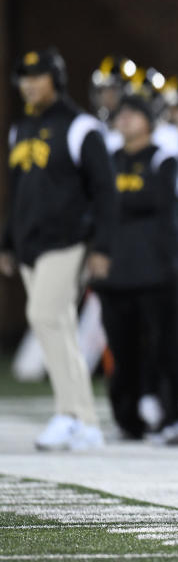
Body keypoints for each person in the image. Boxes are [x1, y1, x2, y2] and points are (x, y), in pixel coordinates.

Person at [1, 48, 116, 450]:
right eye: (25, 76)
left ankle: (70, 415)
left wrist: (101, 245)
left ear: (57, 79)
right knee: (60, 326)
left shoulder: (80, 127)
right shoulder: (21, 129)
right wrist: (8, 240)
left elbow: (104, 190)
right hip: (32, 244)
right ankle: (84, 422)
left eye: (38, 75)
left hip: (68, 240)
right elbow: (18, 192)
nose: (30, 83)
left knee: (43, 316)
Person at [94, 95, 178, 440]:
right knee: (121, 348)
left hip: (154, 271)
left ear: (148, 121)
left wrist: (117, 201)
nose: (125, 120)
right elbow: (96, 205)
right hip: (115, 272)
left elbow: (158, 199)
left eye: (133, 114)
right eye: (121, 115)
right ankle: (126, 418)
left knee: (160, 348)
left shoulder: (162, 158)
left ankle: (167, 412)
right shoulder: (108, 160)